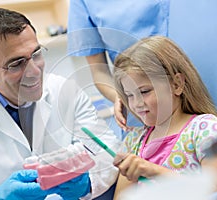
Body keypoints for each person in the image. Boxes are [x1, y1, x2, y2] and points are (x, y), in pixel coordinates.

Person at [0, 8, 119, 200]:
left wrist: (89, 182)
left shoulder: (66, 91)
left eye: (36, 54)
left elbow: (109, 153)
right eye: (17, 63)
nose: (34, 71)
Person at [112, 36, 217, 198]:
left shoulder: (203, 128)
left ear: (177, 84)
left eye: (144, 91)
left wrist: (154, 171)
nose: (136, 103)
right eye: (129, 95)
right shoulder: (133, 141)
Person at [67, 0, 170, 136]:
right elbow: (99, 71)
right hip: (142, 114)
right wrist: (122, 97)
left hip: (199, 92)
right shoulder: (84, 3)